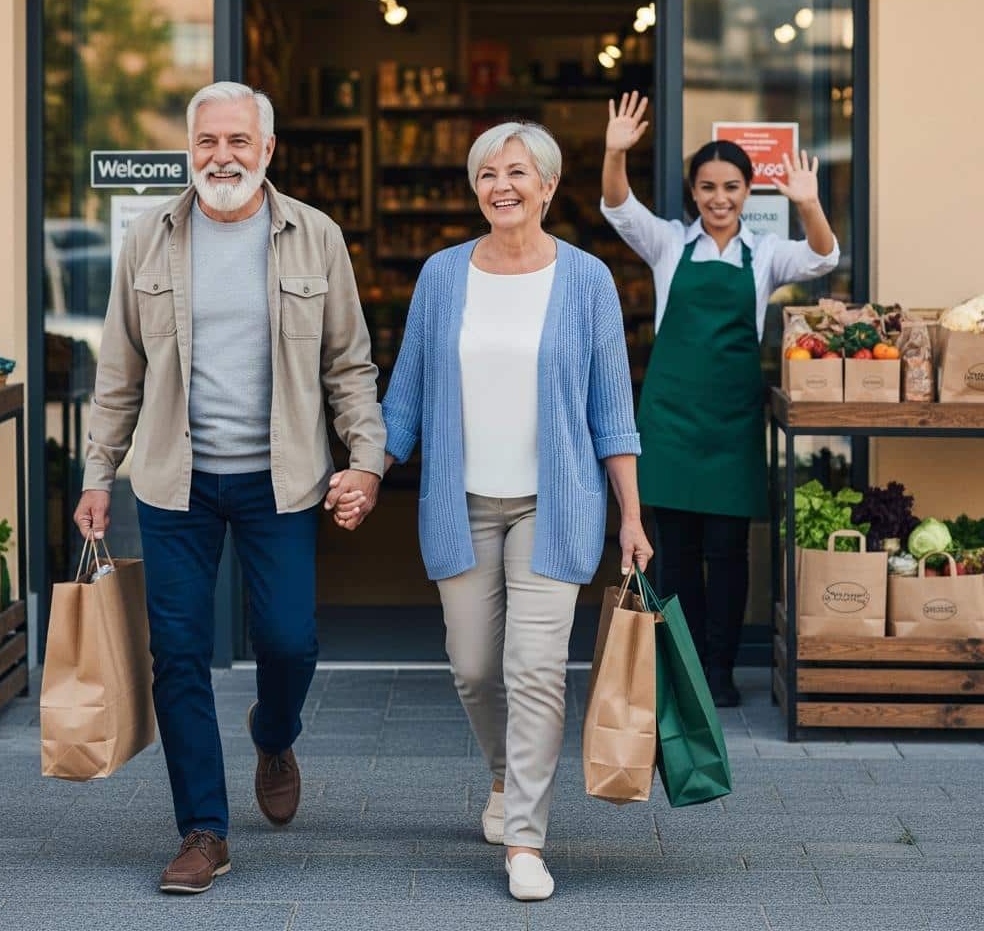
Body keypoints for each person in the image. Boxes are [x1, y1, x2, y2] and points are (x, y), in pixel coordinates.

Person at [73, 81, 385, 894]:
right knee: (176, 655)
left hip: (280, 481)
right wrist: (98, 473)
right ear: (190, 148)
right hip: (175, 483)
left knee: (289, 639)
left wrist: (366, 459)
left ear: (268, 150)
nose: (222, 156)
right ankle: (203, 830)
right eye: (208, 141)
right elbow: (119, 373)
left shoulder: (315, 237)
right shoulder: (149, 239)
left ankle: (273, 733)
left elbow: (349, 365)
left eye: (239, 141)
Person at [333, 121, 652, 902]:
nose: (501, 185)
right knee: (476, 668)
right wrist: (368, 471)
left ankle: (525, 842)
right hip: (462, 504)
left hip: (557, 503)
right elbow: (404, 395)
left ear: (548, 185)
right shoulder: (444, 276)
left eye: (518, 172)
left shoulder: (587, 281)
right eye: (487, 174)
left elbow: (613, 412)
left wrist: (632, 518)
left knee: (536, 669)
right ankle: (507, 776)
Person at [600, 91, 839, 707]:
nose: (719, 198)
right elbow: (618, 206)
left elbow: (823, 256)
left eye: (731, 187)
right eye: (707, 187)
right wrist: (614, 153)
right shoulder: (668, 246)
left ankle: (720, 671)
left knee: (729, 555)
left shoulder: (762, 256)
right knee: (676, 556)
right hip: (672, 424)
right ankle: (682, 670)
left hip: (732, 425)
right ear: (693, 191)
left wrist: (809, 204)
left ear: (748, 190)